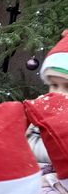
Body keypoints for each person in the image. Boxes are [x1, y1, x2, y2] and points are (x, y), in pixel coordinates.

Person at [27, 29, 68, 163]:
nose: (58, 93)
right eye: (54, 85)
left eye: (67, 86)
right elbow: (27, 144)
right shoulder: (41, 112)